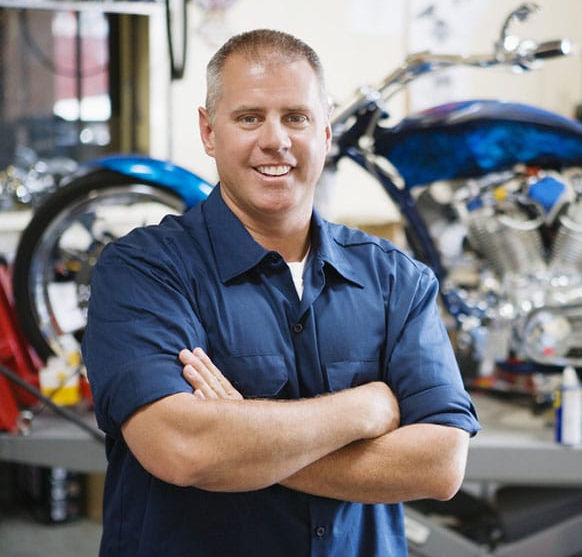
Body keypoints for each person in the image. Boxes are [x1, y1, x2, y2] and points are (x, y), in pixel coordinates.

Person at [81, 29, 480, 556]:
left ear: (326, 131)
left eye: (296, 117)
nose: (276, 140)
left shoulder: (395, 279)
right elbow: (183, 449)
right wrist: (366, 409)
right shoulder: (144, 270)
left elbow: (440, 464)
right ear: (208, 130)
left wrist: (241, 440)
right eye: (250, 118)